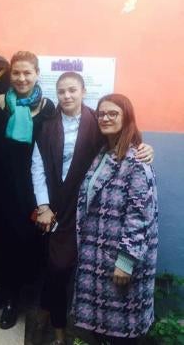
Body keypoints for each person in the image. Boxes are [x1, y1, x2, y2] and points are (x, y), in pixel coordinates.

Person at [31, 72, 154, 345]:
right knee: (57, 268)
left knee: (85, 277)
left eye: (72, 90)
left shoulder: (97, 124)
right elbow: (37, 166)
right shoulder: (48, 125)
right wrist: (43, 205)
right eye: (61, 91)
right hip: (56, 211)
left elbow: (126, 140)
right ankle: (57, 328)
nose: (67, 96)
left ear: (84, 91)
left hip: (91, 217)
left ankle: (68, 327)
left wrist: (145, 148)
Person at [72, 93, 158, 344]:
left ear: (126, 117)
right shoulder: (103, 152)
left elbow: (140, 216)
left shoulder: (136, 159)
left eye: (113, 113)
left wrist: (126, 261)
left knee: (123, 332)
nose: (105, 118)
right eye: (101, 114)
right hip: (98, 256)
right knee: (102, 329)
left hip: (118, 261)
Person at [0, 51, 55, 329]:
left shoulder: (49, 107)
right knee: (3, 241)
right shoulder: (1, 102)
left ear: (37, 73)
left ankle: (23, 300)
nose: (21, 78)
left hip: (34, 188)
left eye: (27, 73)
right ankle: (7, 296)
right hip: (0, 186)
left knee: (30, 245)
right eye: (16, 73)